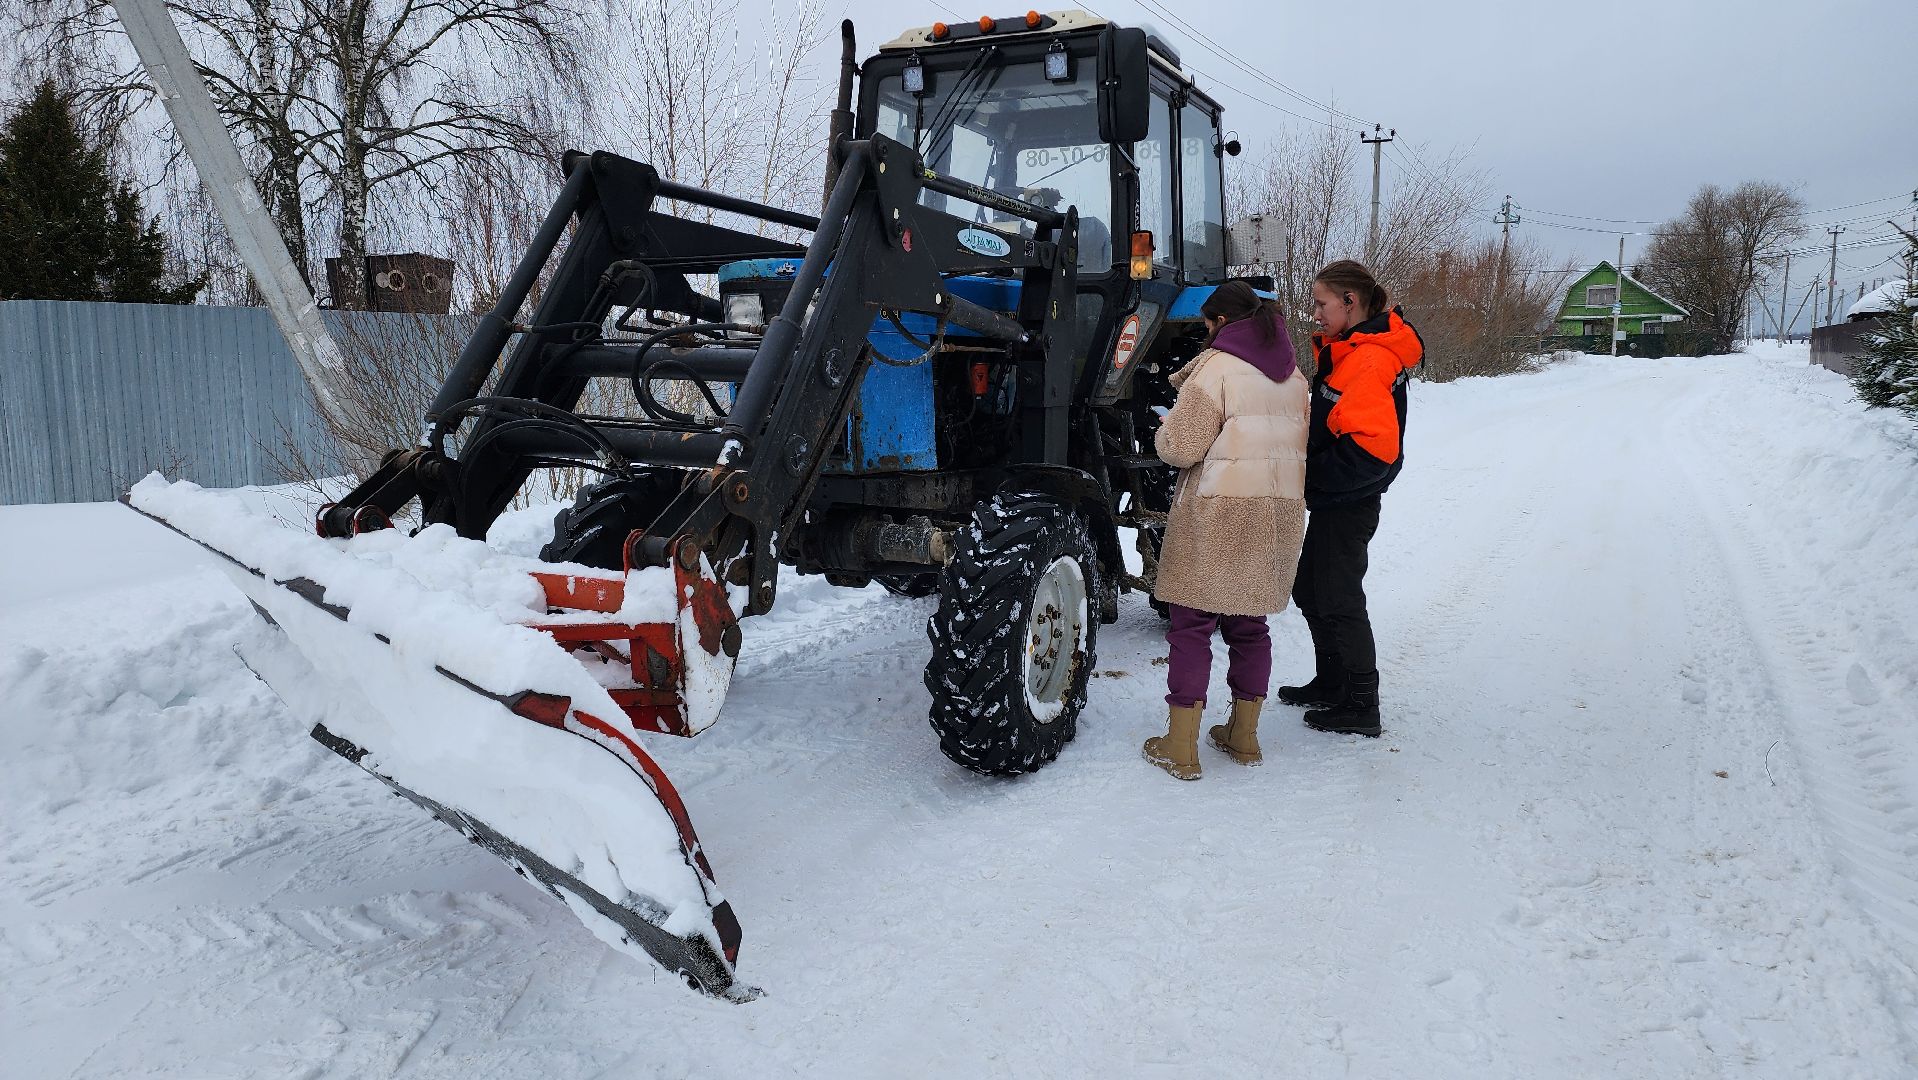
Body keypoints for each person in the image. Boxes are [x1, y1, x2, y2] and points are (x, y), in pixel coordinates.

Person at [1143, 280, 1309, 780]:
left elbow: (1179, 447)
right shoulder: (1293, 374)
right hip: (1277, 512)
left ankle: (1181, 745)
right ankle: (1243, 736)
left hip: (1221, 511)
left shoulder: (1215, 369)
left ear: (1218, 322)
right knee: (1250, 625)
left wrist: (1162, 427)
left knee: (1191, 625)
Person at [1279, 260, 1424, 737]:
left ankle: (1362, 703)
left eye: (1322, 304)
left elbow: (1374, 449)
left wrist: (1310, 477)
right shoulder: (1351, 350)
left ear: (1350, 302)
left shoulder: (1368, 358)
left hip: (1349, 499)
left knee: (1338, 597)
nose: (1316, 313)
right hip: (1336, 498)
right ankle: (1333, 680)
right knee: (1311, 590)